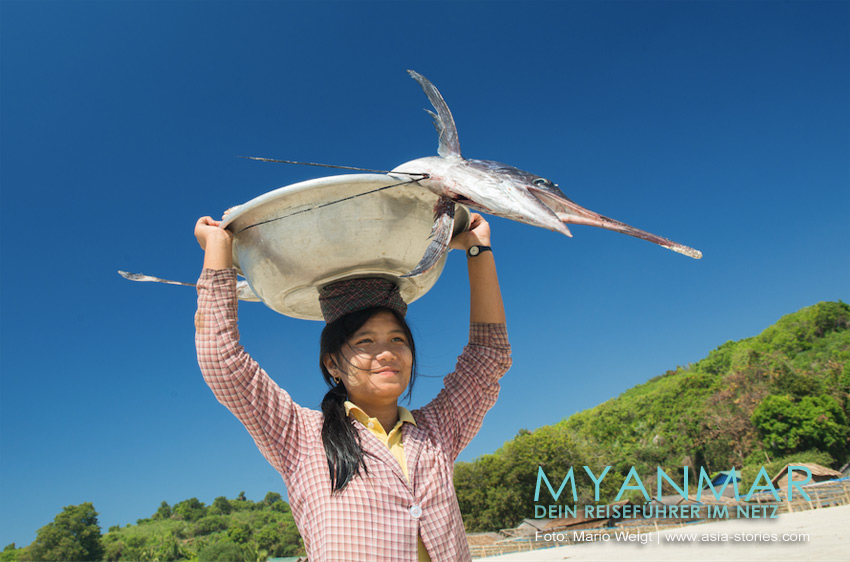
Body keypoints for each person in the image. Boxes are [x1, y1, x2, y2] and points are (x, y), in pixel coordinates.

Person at [194, 212, 511, 562]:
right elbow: (221, 360)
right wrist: (219, 247)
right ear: (332, 364)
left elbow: (488, 356)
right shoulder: (300, 438)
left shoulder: (437, 431)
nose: (387, 352)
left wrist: (478, 251)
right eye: (365, 342)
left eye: (397, 339)